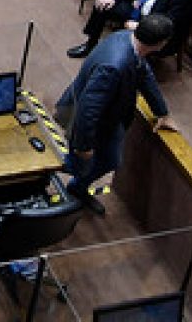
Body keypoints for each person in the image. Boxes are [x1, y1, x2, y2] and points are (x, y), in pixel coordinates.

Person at [56, 14, 177, 215]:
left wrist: (161, 112)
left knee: (108, 160)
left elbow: (143, 73)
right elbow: (89, 109)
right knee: (83, 162)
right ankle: (57, 176)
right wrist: (83, 146)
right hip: (90, 122)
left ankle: (76, 186)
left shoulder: (127, 38)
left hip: (109, 118)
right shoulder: (114, 67)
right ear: (160, 44)